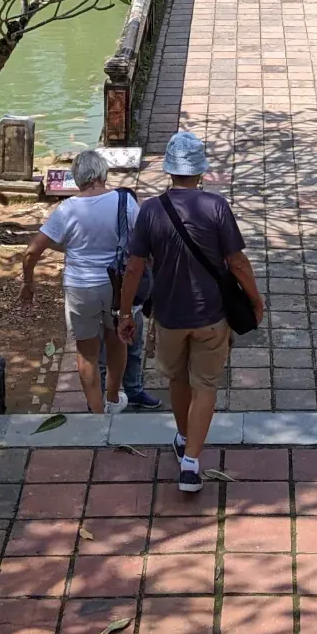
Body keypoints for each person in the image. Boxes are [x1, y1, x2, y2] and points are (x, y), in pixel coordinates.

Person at [117, 130, 264, 493]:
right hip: (212, 316)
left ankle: (183, 439)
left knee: (177, 381)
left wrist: (124, 313)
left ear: (169, 170)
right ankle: (191, 463)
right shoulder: (216, 207)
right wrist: (256, 300)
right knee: (206, 385)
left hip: (168, 316)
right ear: (201, 171)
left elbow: (134, 268)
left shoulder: (151, 210)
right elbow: (237, 262)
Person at [18, 150, 133, 415]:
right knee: (117, 343)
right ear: (104, 174)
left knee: (87, 352)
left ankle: (96, 412)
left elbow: (32, 252)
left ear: (78, 179)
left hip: (80, 288)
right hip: (117, 287)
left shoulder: (67, 209)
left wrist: (28, 282)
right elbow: (143, 243)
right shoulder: (124, 201)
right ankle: (113, 399)